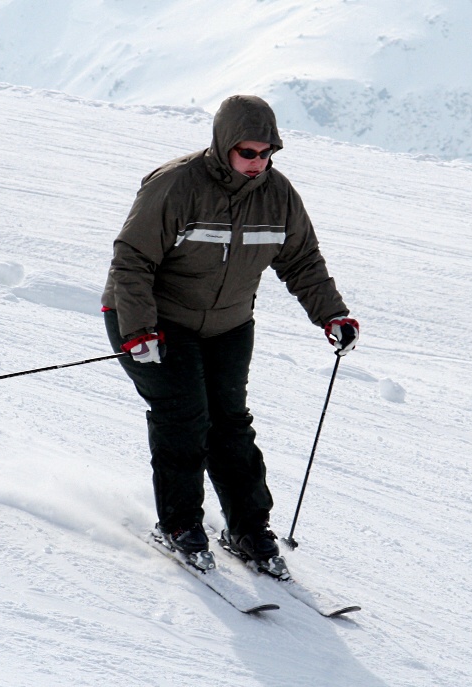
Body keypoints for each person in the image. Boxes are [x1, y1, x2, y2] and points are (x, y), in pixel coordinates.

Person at [101, 94, 359, 569]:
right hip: (154, 321)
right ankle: (179, 523)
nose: (258, 163)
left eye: (267, 153)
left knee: (230, 424)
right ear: (224, 145)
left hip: (228, 325)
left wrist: (332, 315)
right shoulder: (177, 186)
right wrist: (138, 328)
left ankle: (249, 529)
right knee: (184, 417)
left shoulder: (278, 195)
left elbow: (301, 260)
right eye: (248, 152)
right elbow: (131, 258)